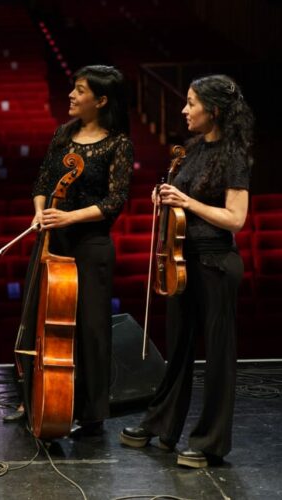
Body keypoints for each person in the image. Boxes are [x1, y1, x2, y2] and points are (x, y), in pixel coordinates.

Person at [120, 75, 253, 468]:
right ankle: (163, 426)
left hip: (216, 263)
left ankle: (210, 442)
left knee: (218, 356)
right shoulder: (193, 150)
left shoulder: (234, 155)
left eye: (191, 103)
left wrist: (187, 201)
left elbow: (236, 219)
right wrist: (164, 196)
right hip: (182, 260)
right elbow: (180, 198)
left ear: (212, 110)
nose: (184, 109)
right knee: (177, 350)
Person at [6, 65, 133, 437]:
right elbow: (43, 181)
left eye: (80, 91)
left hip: (91, 246)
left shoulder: (118, 144)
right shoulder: (63, 135)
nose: (72, 96)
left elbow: (114, 201)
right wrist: (40, 213)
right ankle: (30, 398)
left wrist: (68, 217)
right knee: (37, 321)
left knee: (91, 329)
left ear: (102, 99)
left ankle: (91, 412)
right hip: (52, 241)